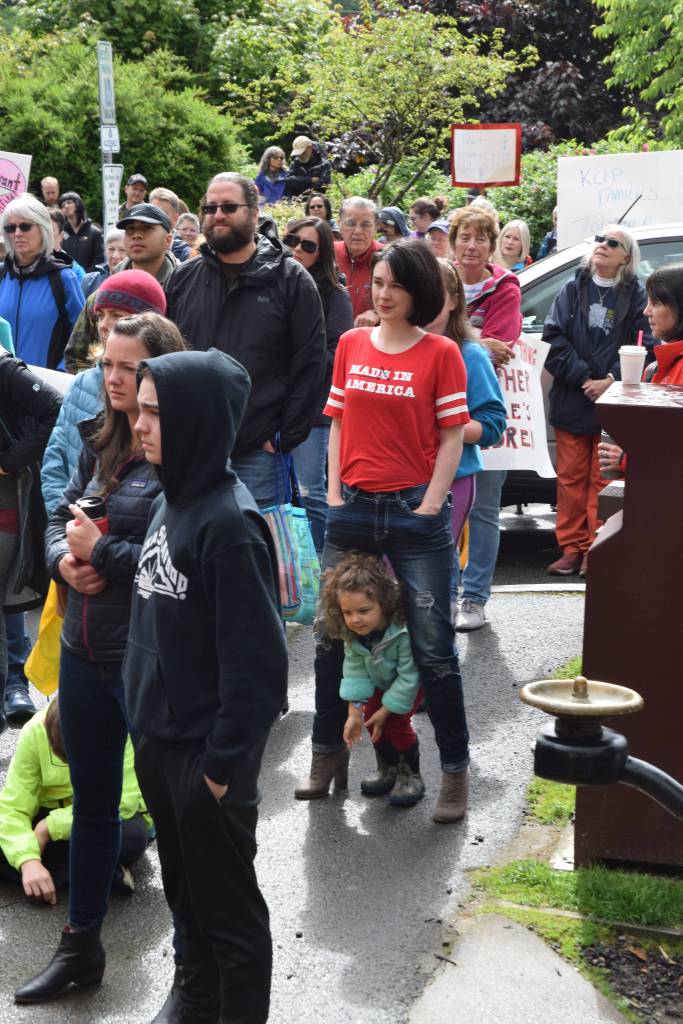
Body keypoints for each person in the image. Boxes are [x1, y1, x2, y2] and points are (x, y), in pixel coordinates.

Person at [14, 312, 186, 1006]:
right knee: (91, 805)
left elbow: (176, 556)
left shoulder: (179, 453)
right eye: (107, 365)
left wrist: (101, 558)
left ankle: (189, 967)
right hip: (84, 650)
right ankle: (79, 947)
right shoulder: (102, 444)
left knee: (174, 817)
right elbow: (66, 512)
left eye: (128, 367)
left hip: (146, 661)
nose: (112, 380)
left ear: (158, 372)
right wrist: (62, 558)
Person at [125, 347, 288, 1024]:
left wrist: (217, 771)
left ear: (195, 420)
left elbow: (259, 669)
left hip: (203, 761)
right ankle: (193, 1004)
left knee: (230, 923)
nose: (139, 424)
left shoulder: (229, 524)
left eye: (155, 412)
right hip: (161, 746)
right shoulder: (174, 498)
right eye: (137, 409)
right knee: (187, 904)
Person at [295, 238, 472, 824]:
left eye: (396, 284)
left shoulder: (442, 352)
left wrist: (431, 505)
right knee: (328, 639)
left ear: (418, 290)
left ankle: (453, 771)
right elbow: (339, 421)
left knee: (433, 647)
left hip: (413, 515)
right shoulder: (349, 344)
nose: (384, 293)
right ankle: (327, 756)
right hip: (353, 508)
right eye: (377, 283)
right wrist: (337, 490)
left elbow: (452, 435)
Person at [165, 172, 326, 510]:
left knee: (257, 556)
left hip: (258, 455)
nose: (217, 215)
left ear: (254, 214)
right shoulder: (183, 279)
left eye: (228, 206)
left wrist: (284, 436)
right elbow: (166, 359)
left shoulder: (291, 279)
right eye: (210, 208)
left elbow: (311, 364)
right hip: (190, 451)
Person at [543, 226, 651, 578]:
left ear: (626, 256)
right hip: (573, 398)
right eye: (599, 240)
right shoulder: (573, 287)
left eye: (612, 243)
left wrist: (610, 380)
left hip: (614, 404)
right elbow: (552, 339)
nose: (602, 246)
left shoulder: (637, 295)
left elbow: (645, 343)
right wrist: (585, 378)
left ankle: (596, 548)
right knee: (570, 479)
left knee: (603, 481)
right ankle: (571, 548)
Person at [41, 271, 169, 516]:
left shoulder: (163, 389)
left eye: (117, 316)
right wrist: (65, 526)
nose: (104, 325)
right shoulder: (82, 383)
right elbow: (55, 461)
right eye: (100, 315)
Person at [449, 206, 522, 631]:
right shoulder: (439, 278)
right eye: (464, 237)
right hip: (438, 410)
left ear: (491, 245)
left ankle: (474, 597)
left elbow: (504, 344)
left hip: (482, 409)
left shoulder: (505, 287)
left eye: (480, 238)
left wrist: (460, 338)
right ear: (454, 240)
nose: (471, 246)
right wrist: (478, 339)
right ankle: (445, 590)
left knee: (484, 508)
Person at [0, 697, 150, 902]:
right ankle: (101, 875)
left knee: (130, 838)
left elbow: (122, 800)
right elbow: (13, 808)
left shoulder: (118, 729)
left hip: (99, 814)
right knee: (10, 838)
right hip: (51, 812)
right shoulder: (34, 731)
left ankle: (44, 879)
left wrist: (48, 827)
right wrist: (28, 860)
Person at [427, 259, 506, 594]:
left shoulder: (470, 354)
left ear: (454, 300)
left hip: (455, 478)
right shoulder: (393, 345)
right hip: (400, 479)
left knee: (434, 573)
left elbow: (492, 426)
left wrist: (447, 425)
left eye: (436, 294)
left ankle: (457, 614)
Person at [323, 552, 425, 806]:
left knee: (396, 723)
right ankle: (387, 767)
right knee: (370, 719)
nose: (355, 619)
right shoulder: (354, 634)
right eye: (347, 612)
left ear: (384, 604)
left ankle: (409, 773)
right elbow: (355, 670)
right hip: (381, 680)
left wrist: (387, 710)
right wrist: (354, 712)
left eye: (364, 610)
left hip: (408, 684)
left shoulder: (401, 632)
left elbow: (409, 675)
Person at [0, 351, 61, 731]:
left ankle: (15, 682)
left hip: (8, 502)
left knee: (10, 593)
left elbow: (56, 410)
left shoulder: (5, 369)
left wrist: (9, 460)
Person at [284, 216, 353, 552]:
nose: (297, 249)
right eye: (292, 241)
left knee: (311, 492)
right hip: (274, 405)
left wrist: (295, 361)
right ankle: (290, 573)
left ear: (321, 251)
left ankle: (321, 570)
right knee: (281, 494)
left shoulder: (334, 294)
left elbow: (335, 354)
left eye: (308, 245)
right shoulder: (276, 282)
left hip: (312, 409)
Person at [64, 203, 177, 372]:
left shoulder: (182, 292)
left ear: (168, 240)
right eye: (130, 229)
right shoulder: (102, 296)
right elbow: (76, 356)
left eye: (146, 228)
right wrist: (100, 387)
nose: (137, 235)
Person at [599, 262, 683, 477]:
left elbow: (672, 449)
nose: (646, 312)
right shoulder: (661, 365)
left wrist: (625, 459)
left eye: (655, 303)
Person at [0, 194, 84, 369]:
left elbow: (83, 339)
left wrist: (60, 375)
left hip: (45, 389)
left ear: (43, 229)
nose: (17, 234)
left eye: (25, 226)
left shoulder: (64, 279)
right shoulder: (1, 274)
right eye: (10, 227)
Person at [333, 196, 383, 322]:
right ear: (339, 225)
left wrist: (376, 312)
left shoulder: (388, 258)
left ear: (376, 227)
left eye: (366, 225)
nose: (358, 231)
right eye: (351, 223)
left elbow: (404, 300)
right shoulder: (327, 254)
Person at [59, 192, 104, 274]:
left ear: (78, 204)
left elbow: (99, 260)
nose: (66, 206)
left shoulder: (94, 232)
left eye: (69, 202)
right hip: (68, 279)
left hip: (89, 281)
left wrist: (85, 278)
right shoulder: (61, 234)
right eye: (62, 205)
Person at [80, 227, 126, 300]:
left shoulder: (137, 284)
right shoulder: (88, 281)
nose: (115, 255)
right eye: (111, 249)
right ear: (105, 251)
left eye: (122, 250)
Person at [149, 187, 192, 262]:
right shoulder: (136, 245)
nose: (156, 218)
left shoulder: (185, 254)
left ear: (175, 218)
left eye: (163, 213)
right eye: (153, 212)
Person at [49, 209, 85, 283]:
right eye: (41, 230)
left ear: (61, 236)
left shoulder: (76, 272)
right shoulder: (26, 266)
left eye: (49, 231)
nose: (44, 235)